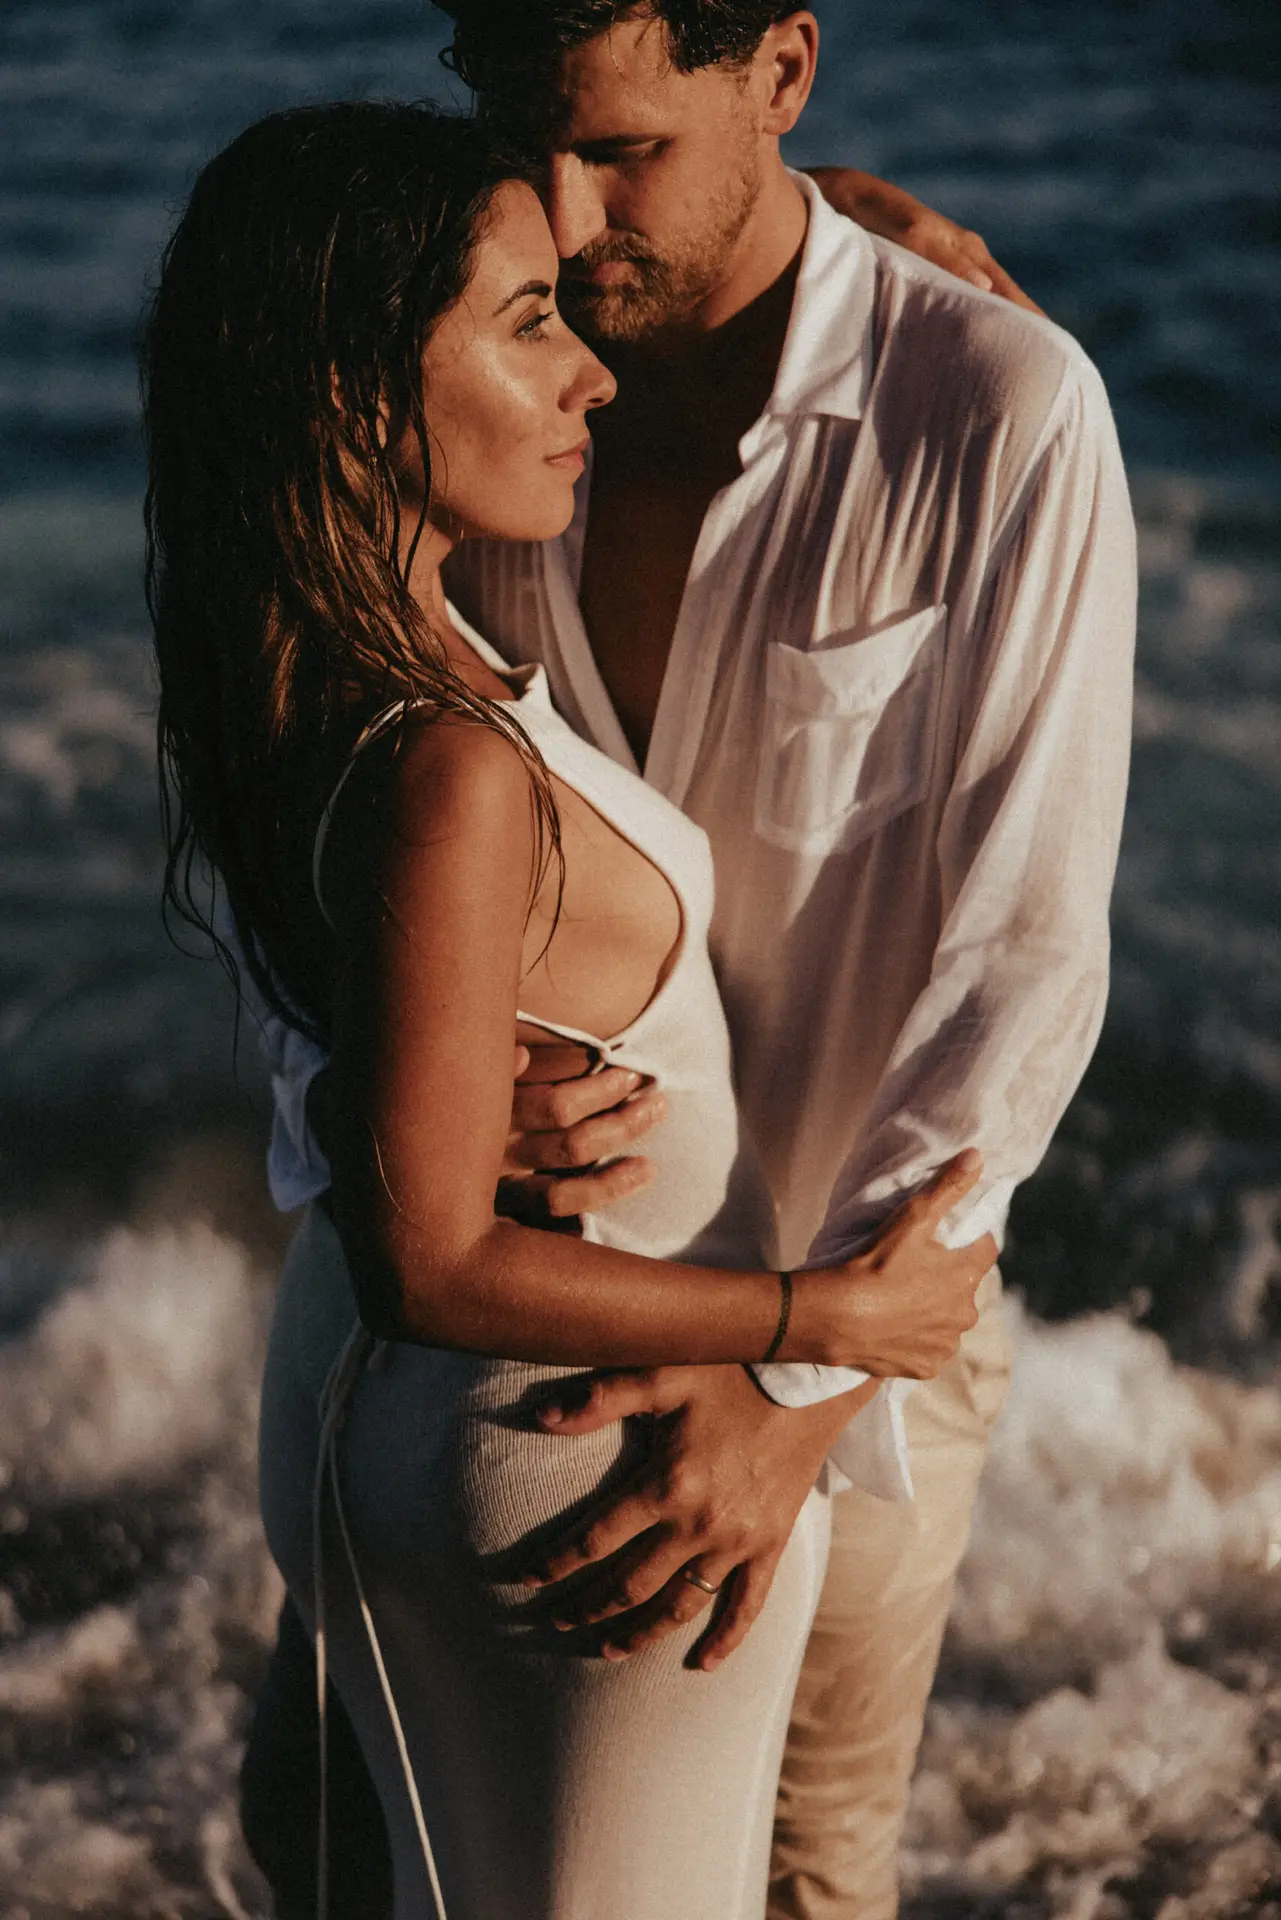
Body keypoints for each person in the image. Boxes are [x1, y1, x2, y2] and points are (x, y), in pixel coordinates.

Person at [245, 5, 1137, 1916]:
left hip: (847, 1343)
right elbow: (300, 758)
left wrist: (796, 1397)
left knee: (803, 1882)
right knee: (320, 1845)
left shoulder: (992, 413)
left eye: (624, 149)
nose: (563, 215)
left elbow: (1027, 970)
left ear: (785, 77)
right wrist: (335, 1074)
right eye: (520, 134)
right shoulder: (474, 369)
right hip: (460, 1358)